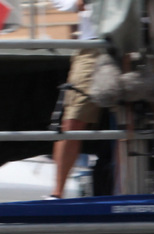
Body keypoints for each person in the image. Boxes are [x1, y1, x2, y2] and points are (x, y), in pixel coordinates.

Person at [49, 0, 100, 199]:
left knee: (136, 119)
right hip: (93, 46)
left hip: (133, 42)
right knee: (73, 120)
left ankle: (133, 193)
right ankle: (57, 193)